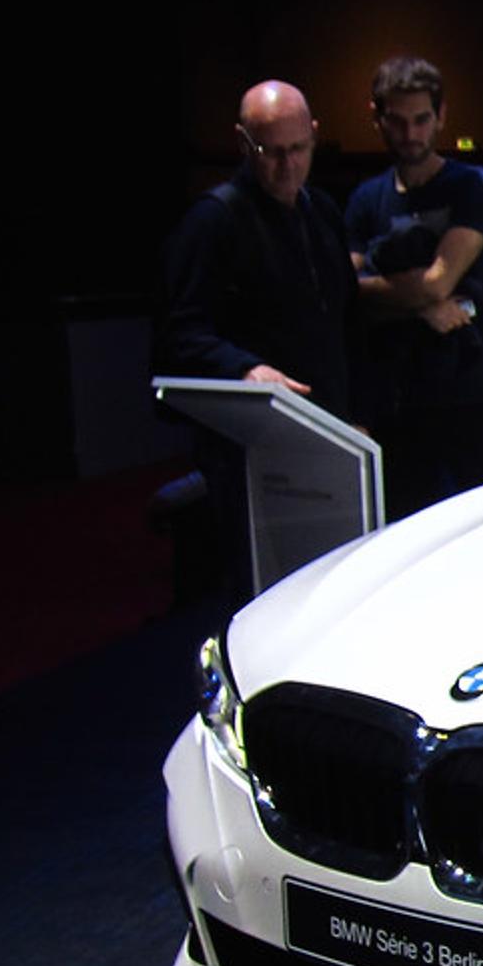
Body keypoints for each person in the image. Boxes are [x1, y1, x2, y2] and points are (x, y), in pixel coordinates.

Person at [155, 78, 358, 602]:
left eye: (298, 150)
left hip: (329, 437)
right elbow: (182, 334)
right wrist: (247, 370)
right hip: (253, 448)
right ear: (243, 145)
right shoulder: (214, 221)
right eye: (271, 153)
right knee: (262, 592)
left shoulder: (323, 214)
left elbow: (343, 321)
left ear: (314, 137)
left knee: (330, 583)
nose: (287, 165)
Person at [345, 55, 483, 518]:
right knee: (402, 538)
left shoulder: (475, 187)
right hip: (399, 401)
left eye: (422, 119)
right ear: (377, 119)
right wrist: (422, 305)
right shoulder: (366, 199)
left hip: (474, 394)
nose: (411, 133)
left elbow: (439, 280)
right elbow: (347, 292)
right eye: (397, 121)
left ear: (441, 116)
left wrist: (403, 294)